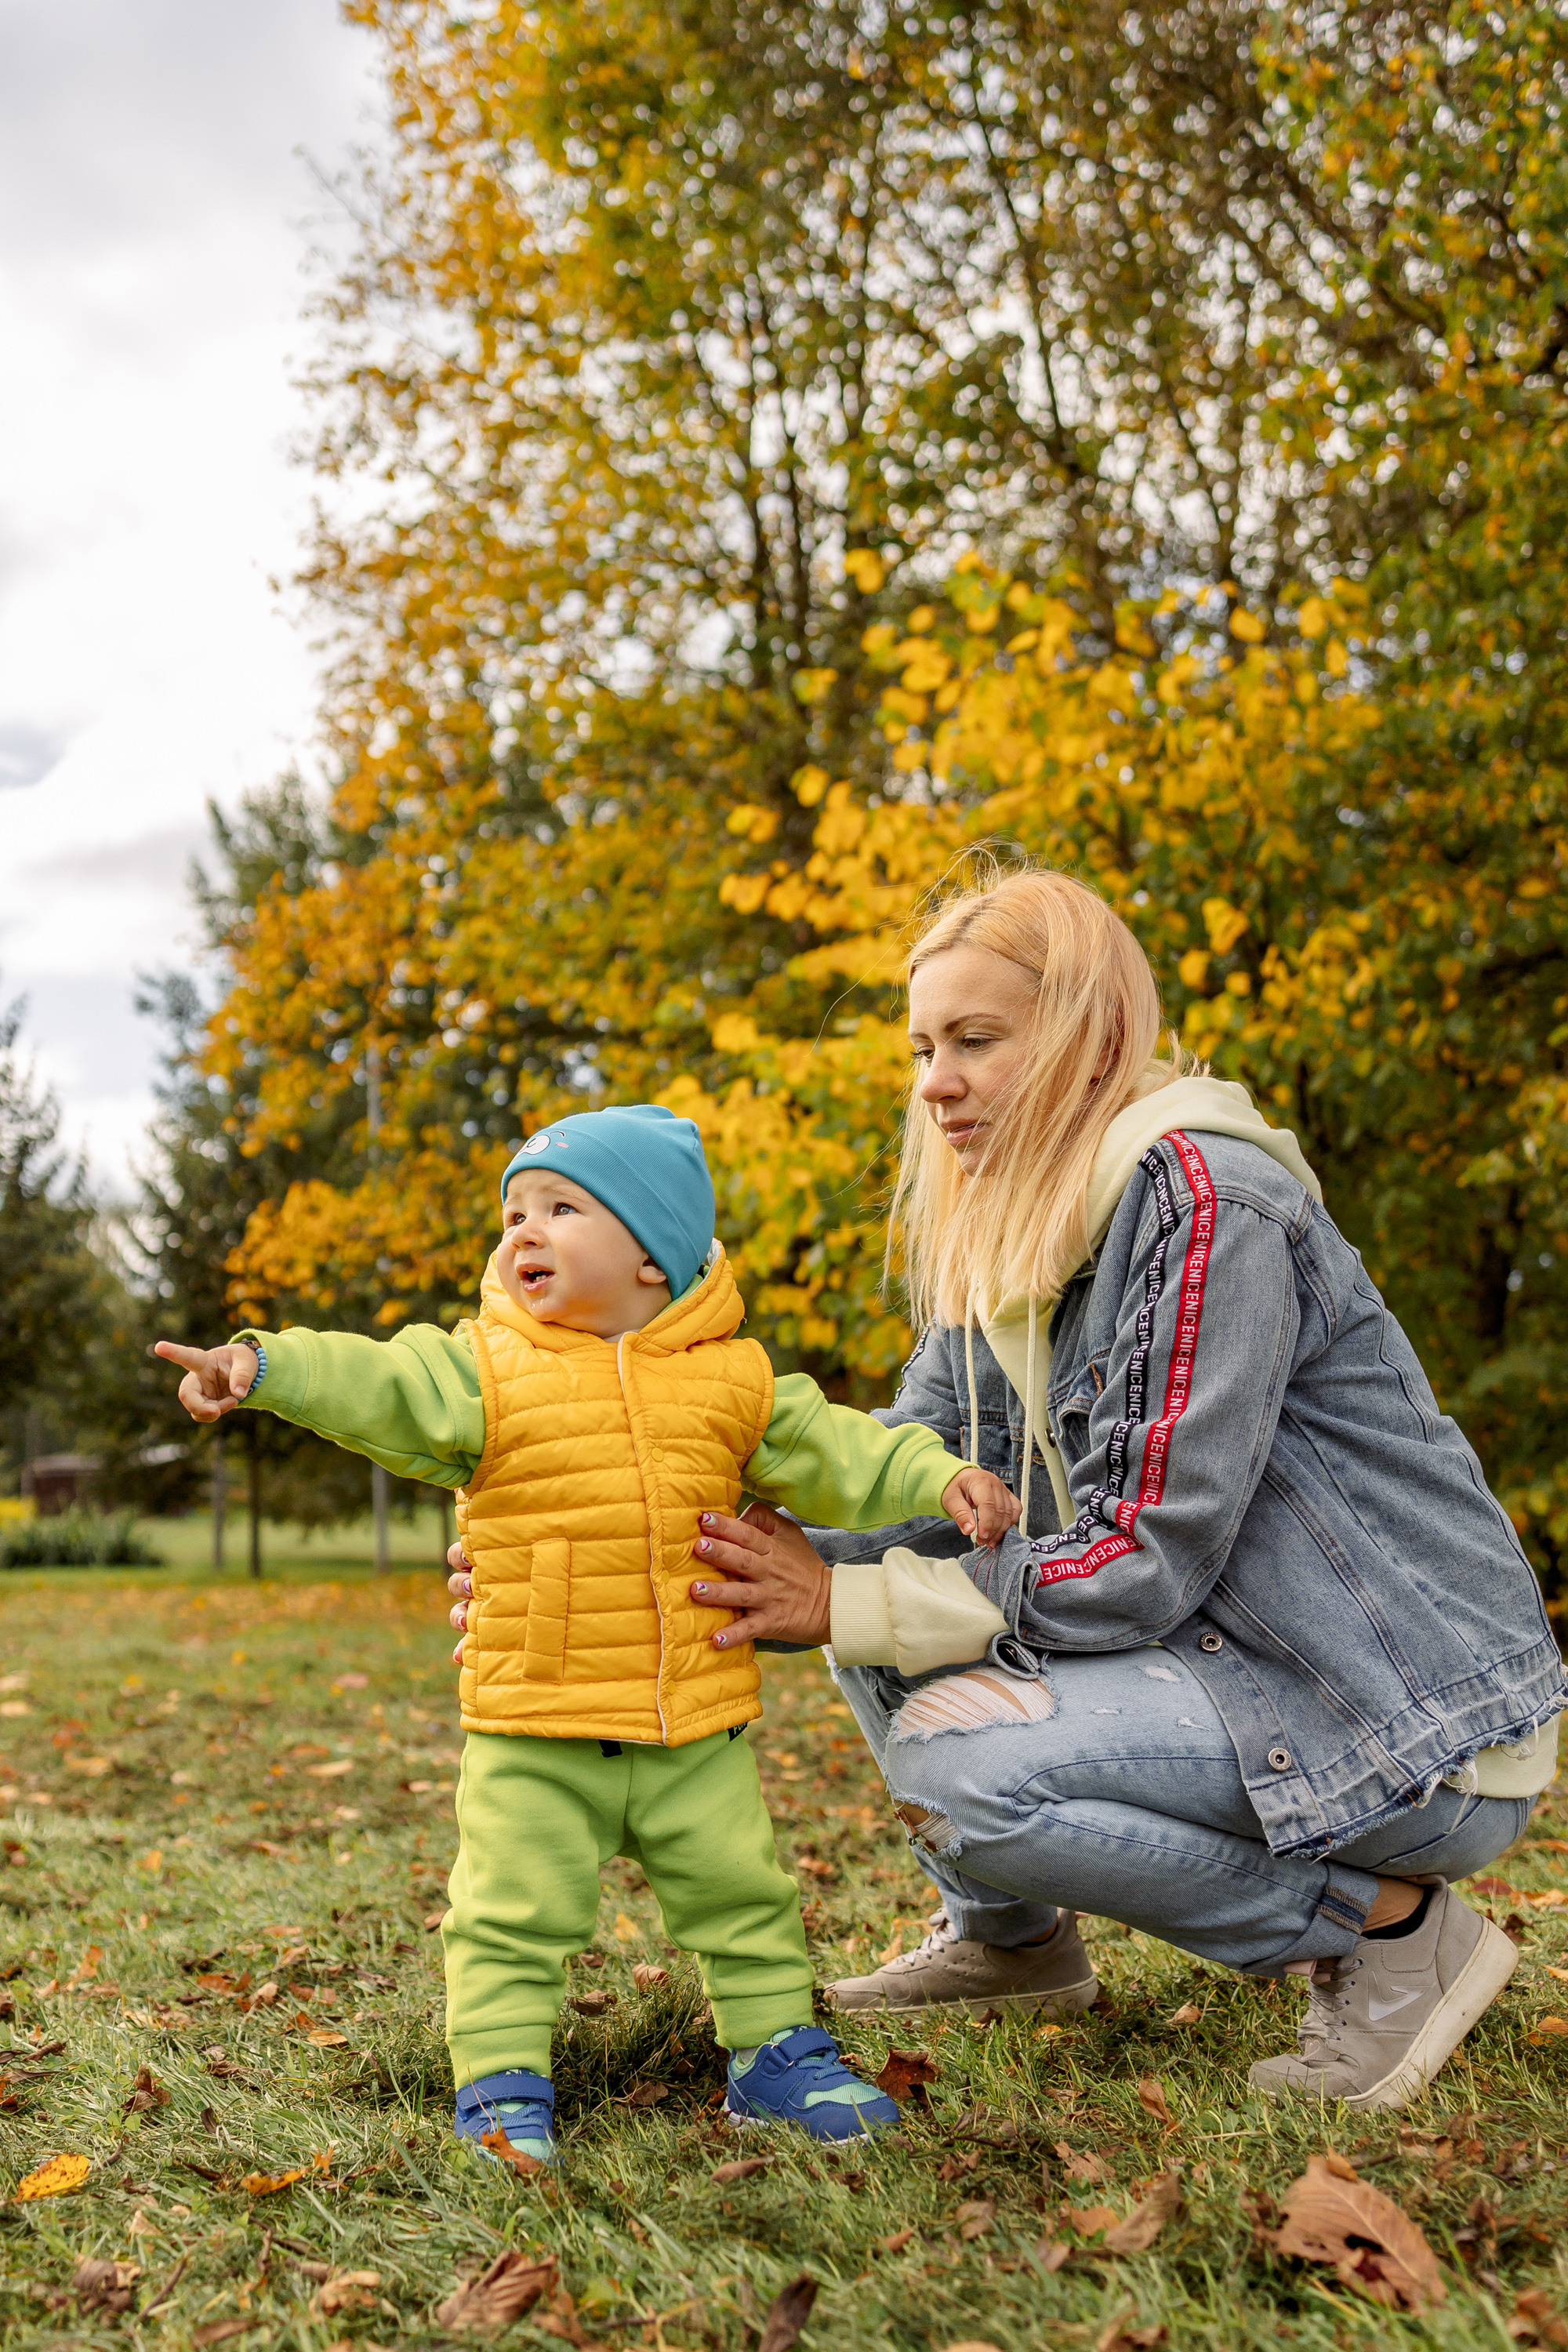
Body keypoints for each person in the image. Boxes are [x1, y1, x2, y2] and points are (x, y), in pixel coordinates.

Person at [682, 869, 1567, 2113]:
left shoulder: (1208, 1198)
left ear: (1093, 1039)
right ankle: (1014, 1943)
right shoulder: (1008, 1227)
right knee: (870, 1597)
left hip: (1396, 1718)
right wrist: (660, 1533)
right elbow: (907, 1476)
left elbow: (1147, 1556)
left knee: (960, 1764)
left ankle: (1396, 1932)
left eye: (977, 1041)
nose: (936, 1080)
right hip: (1227, 1666)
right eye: (926, 1046)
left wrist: (846, 1599)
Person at [158, 1102, 1018, 2161]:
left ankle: (775, 2055)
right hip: (538, 1719)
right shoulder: (483, 1370)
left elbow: (844, 1449)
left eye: (562, 1207)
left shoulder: (733, 1382)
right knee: (509, 1916)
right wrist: (265, 1369)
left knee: (746, 1897)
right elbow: (378, 1381)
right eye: (515, 1210)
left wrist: (943, 1473)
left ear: (652, 1259)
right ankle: (502, 2086)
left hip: (691, 1722)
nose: (524, 1230)